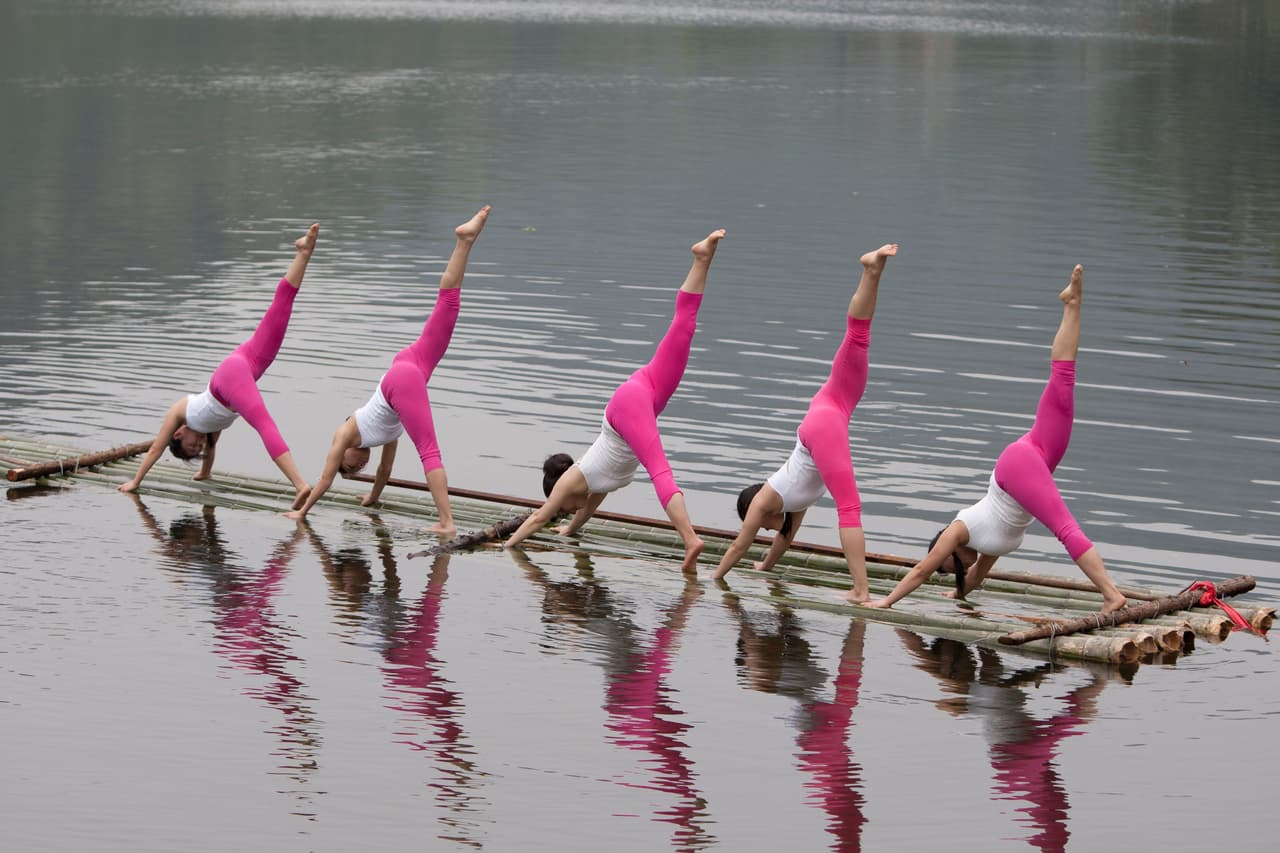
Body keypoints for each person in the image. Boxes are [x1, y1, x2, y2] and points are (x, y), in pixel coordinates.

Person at [869, 264, 1126, 613]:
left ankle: (1111, 595)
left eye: (954, 566)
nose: (961, 569)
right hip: (1034, 457)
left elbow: (920, 572)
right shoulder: (990, 547)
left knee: (1065, 529)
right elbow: (974, 579)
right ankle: (1072, 303)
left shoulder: (960, 530)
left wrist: (884, 603)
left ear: (948, 550)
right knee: (1063, 382)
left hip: (1017, 469)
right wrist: (957, 595)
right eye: (956, 572)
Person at [503, 229, 726, 573]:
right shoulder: (597, 484)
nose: (568, 510)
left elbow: (536, 518)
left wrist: (508, 545)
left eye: (564, 510)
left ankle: (691, 539)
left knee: (660, 471)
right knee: (684, 328)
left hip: (629, 406)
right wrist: (570, 530)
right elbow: (586, 511)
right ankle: (702, 257)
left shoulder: (570, 484)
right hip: (646, 392)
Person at [286, 206, 490, 538]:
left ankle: (446, 521)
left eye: (351, 466)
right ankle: (465, 240)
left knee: (429, 450)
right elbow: (385, 469)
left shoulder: (345, 434)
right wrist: (373, 496)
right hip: (411, 367)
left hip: (401, 381)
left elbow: (323, 480)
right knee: (449, 306)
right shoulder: (386, 435)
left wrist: (301, 512)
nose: (358, 465)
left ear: (345, 453)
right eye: (357, 469)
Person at [713, 243, 899, 603]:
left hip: (825, 421)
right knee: (859, 338)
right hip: (833, 408)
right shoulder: (792, 504)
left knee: (849, 508)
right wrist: (765, 567)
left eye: (757, 526)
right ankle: (872, 269)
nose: (764, 530)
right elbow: (785, 540)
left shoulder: (766, 500)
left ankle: (861, 590)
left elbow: (739, 545)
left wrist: (713, 577)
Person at [118, 224, 320, 504]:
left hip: (231, 376)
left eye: (191, 445)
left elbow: (155, 449)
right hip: (252, 362)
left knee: (264, 425)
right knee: (282, 306)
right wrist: (204, 472)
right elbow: (210, 450)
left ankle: (300, 485)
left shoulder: (181, 411)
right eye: (197, 449)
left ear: (179, 433)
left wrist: (135, 481)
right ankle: (303, 252)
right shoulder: (209, 430)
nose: (199, 445)